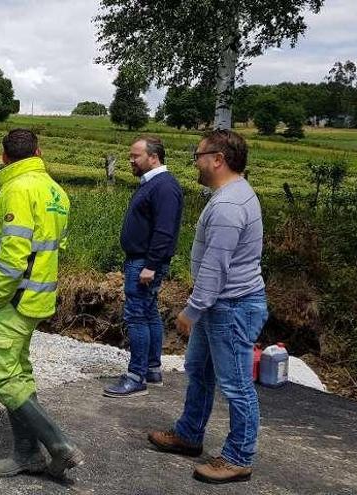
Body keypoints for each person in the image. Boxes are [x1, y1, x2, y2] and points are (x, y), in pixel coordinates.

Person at [147, 130, 267, 484]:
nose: (195, 161)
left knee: (236, 385)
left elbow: (217, 266)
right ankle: (189, 433)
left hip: (229, 307)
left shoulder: (229, 205)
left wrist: (192, 310)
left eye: (198, 155)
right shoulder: (231, 195)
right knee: (198, 369)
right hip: (221, 305)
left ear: (218, 159)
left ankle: (238, 457)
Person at [0, 129, 83, 479]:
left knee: (0, 378)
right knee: (18, 374)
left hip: (12, 299)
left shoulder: (17, 189)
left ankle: (58, 445)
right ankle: (27, 454)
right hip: (38, 297)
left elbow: (13, 255)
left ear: (4, 157)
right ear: (38, 152)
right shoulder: (56, 190)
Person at [104, 136, 183, 398]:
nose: (130, 160)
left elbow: (165, 230)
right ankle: (151, 369)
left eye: (135, 156)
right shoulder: (153, 184)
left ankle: (136, 376)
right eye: (130, 156)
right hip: (142, 260)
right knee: (149, 314)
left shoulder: (164, 186)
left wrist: (150, 265)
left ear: (153, 157)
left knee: (136, 316)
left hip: (144, 263)